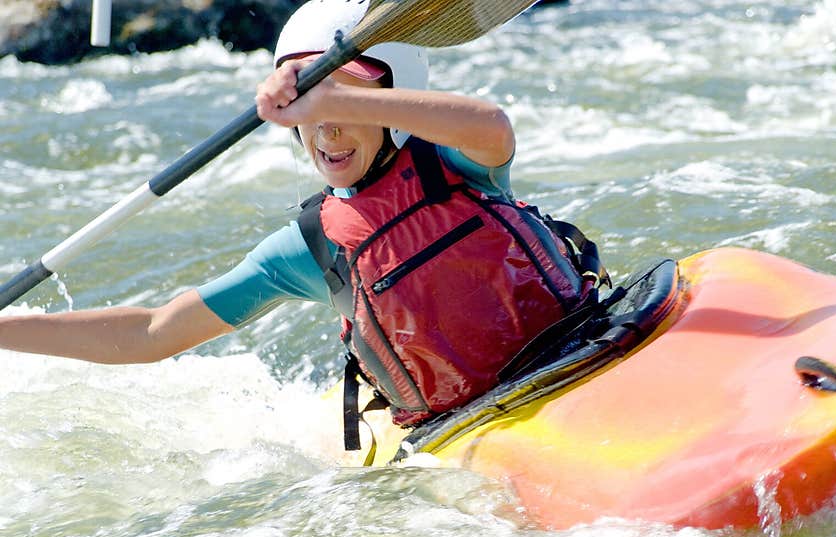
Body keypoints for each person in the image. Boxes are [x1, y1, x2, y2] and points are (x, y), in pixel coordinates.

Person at [0, 0, 604, 455]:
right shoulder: (310, 247)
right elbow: (153, 333)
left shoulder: (454, 161)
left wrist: (335, 98)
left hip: (583, 349)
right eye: (310, 115)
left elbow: (494, 126)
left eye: (343, 107)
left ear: (395, 96)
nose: (325, 133)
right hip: (470, 425)